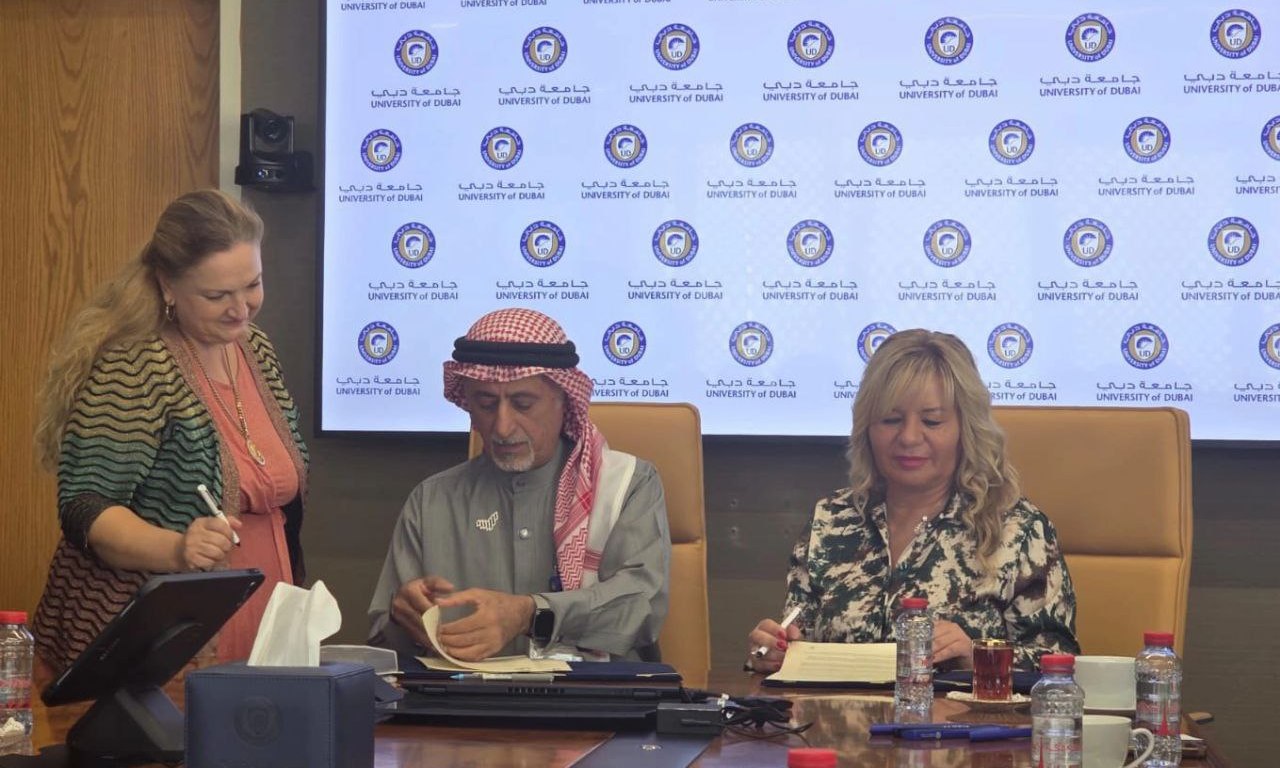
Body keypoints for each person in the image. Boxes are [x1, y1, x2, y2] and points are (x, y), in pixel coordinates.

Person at [31, 189, 308, 675]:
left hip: (261, 615)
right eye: (217, 296)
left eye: (252, 285)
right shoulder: (135, 364)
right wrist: (177, 549)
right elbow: (85, 507)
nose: (241, 309)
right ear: (167, 285)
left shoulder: (255, 348)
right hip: (160, 635)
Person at [746, 330, 1078, 672]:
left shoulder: (1018, 531)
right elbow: (798, 635)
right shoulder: (831, 520)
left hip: (950, 708)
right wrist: (776, 652)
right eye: (890, 420)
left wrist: (976, 655)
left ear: (966, 429)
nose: (908, 437)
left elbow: (1059, 663)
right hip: (835, 708)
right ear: (866, 428)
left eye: (932, 421)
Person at [368, 308, 671, 662]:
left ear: (564, 400)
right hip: (466, 693)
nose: (502, 426)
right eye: (486, 404)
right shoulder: (431, 501)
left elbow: (641, 608)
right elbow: (385, 649)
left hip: (592, 692)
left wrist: (530, 614)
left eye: (523, 404)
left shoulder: (627, 486)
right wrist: (402, 618)